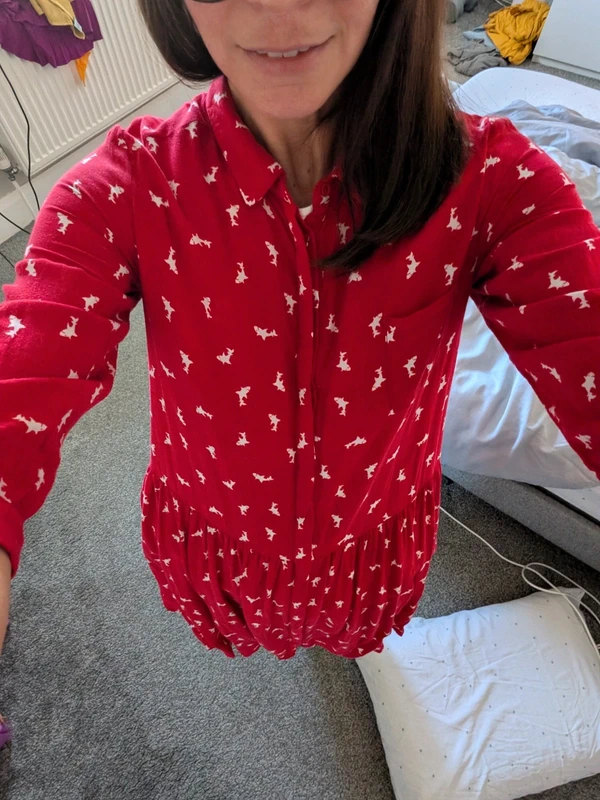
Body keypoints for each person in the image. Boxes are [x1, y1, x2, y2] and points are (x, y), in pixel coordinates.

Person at [0, 0, 599, 662]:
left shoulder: (493, 182)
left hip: (374, 558)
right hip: (217, 550)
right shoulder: (128, 186)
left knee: (351, 643)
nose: (278, 5)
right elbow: (24, 364)